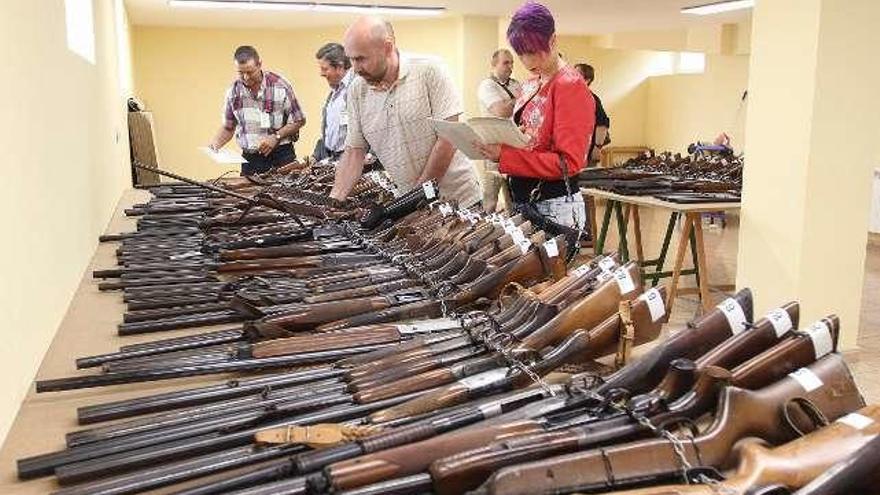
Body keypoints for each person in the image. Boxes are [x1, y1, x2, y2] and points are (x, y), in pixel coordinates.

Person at [329, 16, 481, 207]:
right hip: (412, 204)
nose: (355, 68)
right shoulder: (357, 91)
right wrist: (333, 202)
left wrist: (415, 197)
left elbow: (448, 139)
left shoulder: (430, 70)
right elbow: (354, 151)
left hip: (460, 201)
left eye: (361, 59)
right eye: (351, 59)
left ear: (387, 47)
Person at [474, 2, 595, 233]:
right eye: (521, 54)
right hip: (524, 199)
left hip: (552, 204)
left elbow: (568, 163)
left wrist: (506, 155)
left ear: (553, 40)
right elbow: (534, 139)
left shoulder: (569, 86)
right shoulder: (531, 84)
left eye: (532, 51)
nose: (527, 61)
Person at [209, 45, 306, 176]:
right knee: (248, 196)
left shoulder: (280, 85)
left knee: (285, 195)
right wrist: (216, 143)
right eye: (241, 73)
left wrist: (276, 137)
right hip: (250, 160)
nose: (246, 77)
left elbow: (299, 120)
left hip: (282, 156)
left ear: (260, 64)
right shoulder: (233, 92)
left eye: (249, 72)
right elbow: (228, 127)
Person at [476, 49, 522, 212]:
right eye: (506, 63)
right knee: (490, 197)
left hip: (514, 147)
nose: (510, 66)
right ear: (494, 64)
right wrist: (519, 99)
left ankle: (514, 233)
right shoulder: (487, 86)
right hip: (492, 148)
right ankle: (483, 232)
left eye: (512, 63)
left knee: (513, 198)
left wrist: (510, 102)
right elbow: (501, 111)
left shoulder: (516, 84)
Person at [313, 42, 354, 161]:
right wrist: (316, 155)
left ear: (339, 67)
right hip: (333, 158)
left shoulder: (359, 87)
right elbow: (328, 130)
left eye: (325, 69)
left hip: (353, 160)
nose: (321, 73)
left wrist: (370, 155)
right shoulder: (334, 93)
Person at [575, 63, 610, 166]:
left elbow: (602, 123)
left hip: (587, 152)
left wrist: (597, 147)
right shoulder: (571, 96)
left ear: (587, 79)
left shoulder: (592, 99)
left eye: (577, 74)